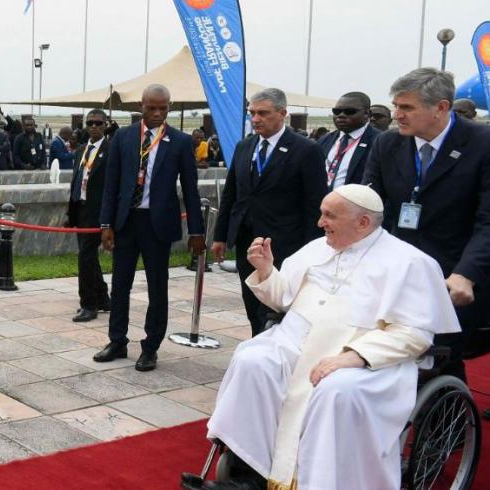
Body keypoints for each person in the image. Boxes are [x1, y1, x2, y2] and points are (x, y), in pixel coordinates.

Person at [191, 185, 460, 490]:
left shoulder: (410, 263)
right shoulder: (318, 248)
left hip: (363, 358)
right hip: (294, 343)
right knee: (252, 361)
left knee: (336, 390)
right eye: (321, 213)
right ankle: (248, 473)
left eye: (330, 216)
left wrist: (353, 356)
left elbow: (414, 335)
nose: (320, 223)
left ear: (363, 223)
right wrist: (267, 271)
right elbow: (283, 300)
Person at [363, 67, 490, 381]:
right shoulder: (387, 144)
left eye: (407, 107)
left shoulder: (482, 144)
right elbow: (371, 206)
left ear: (441, 108)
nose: (397, 115)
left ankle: (450, 427)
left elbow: (488, 221)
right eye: (396, 105)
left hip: (454, 277)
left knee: (438, 361)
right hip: (397, 273)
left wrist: (466, 274)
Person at [97, 84, 205, 372]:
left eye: (163, 108)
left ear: (169, 107)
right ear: (141, 107)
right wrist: (106, 224)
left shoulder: (180, 142)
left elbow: (191, 191)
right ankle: (117, 340)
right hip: (126, 222)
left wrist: (197, 231)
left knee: (158, 287)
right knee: (120, 285)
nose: (157, 113)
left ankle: (151, 346)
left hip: (157, 225)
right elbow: (112, 184)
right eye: (151, 108)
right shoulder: (123, 137)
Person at [212, 88, 329, 336]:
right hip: (247, 240)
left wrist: (313, 250)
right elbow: (232, 194)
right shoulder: (245, 147)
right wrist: (221, 235)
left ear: (282, 113)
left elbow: (314, 206)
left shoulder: (306, 150)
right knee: (252, 300)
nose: (255, 119)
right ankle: (258, 345)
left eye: (263, 113)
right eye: (252, 113)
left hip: (285, 244)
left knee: (279, 306)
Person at [67, 109, 111, 322]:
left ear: (105, 125)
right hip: (80, 209)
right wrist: (71, 212)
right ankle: (103, 297)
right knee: (90, 257)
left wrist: (108, 218)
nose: (94, 126)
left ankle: (88, 304)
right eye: (90, 123)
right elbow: (77, 179)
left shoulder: (111, 150)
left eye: (98, 123)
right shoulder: (82, 149)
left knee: (85, 257)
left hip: (98, 212)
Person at [316, 92, 378, 189]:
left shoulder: (378, 141)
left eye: (349, 111)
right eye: (336, 111)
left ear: (367, 114)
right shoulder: (325, 139)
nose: (341, 115)